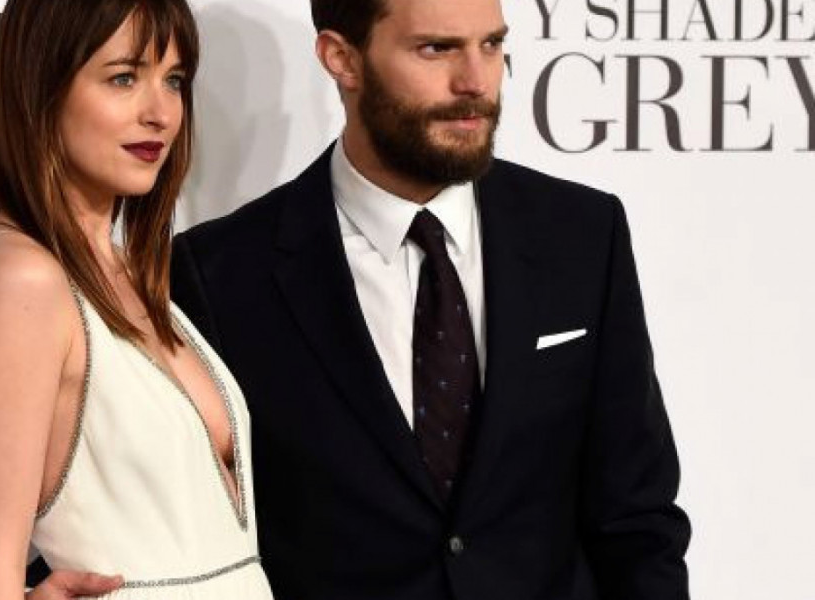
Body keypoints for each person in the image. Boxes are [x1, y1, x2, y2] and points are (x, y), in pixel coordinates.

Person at [42, 0, 691, 598]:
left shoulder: (582, 234)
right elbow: (142, 502)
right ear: (341, 58)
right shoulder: (219, 272)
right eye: (436, 49)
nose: (476, 81)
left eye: (492, 45)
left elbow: (637, 517)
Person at [0, 0, 273, 599]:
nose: (160, 113)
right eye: (124, 78)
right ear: (42, 87)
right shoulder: (20, 277)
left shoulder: (125, 270)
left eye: (174, 80)